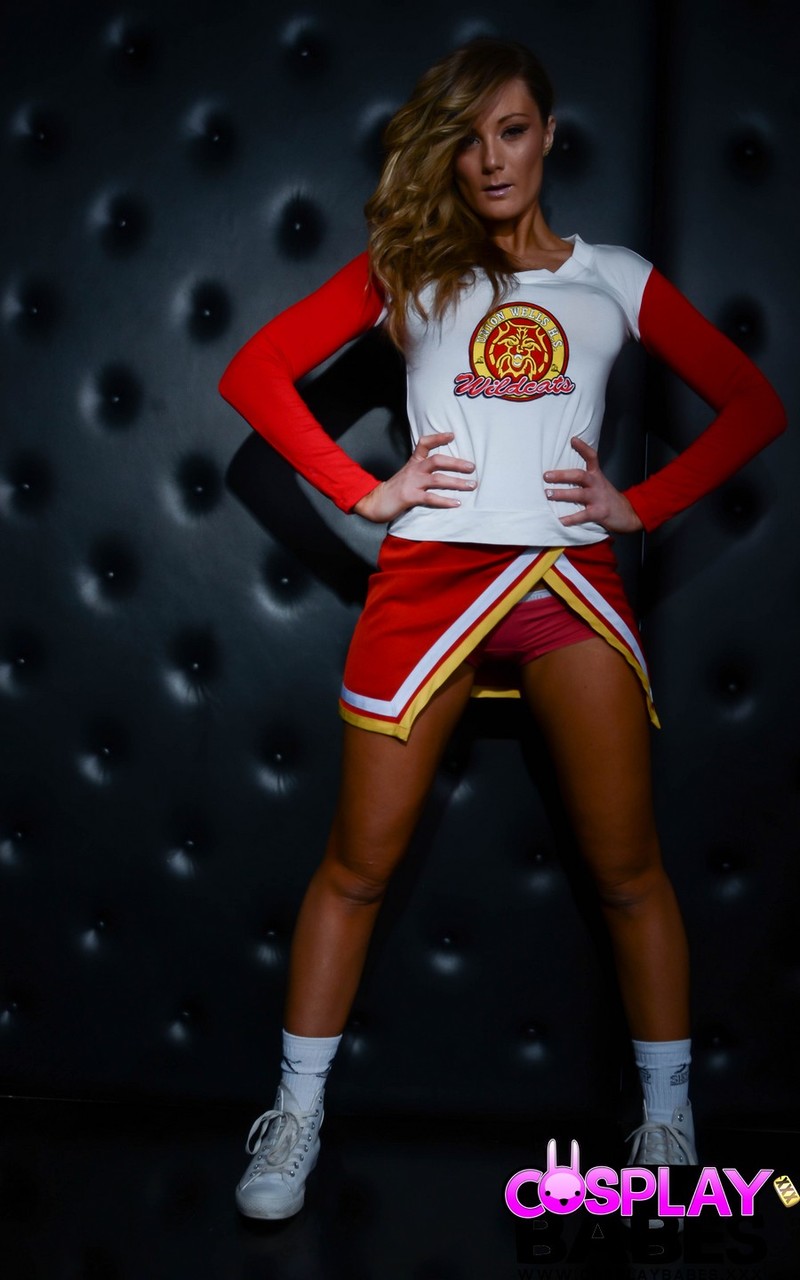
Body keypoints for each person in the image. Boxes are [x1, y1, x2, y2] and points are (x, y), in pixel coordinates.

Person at [218, 38, 786, 1221]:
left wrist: (643, 504)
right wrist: (360, 487)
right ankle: (293, 1116)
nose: (490, 158)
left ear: (548, 135)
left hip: (566, 585)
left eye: (512, 130)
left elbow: (752, 402)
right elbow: (255, 373)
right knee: (356, 868)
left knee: (626, 871)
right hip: (426, 585)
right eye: (468, 136)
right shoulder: (406, 268)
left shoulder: (612, 278)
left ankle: (667, 1121)